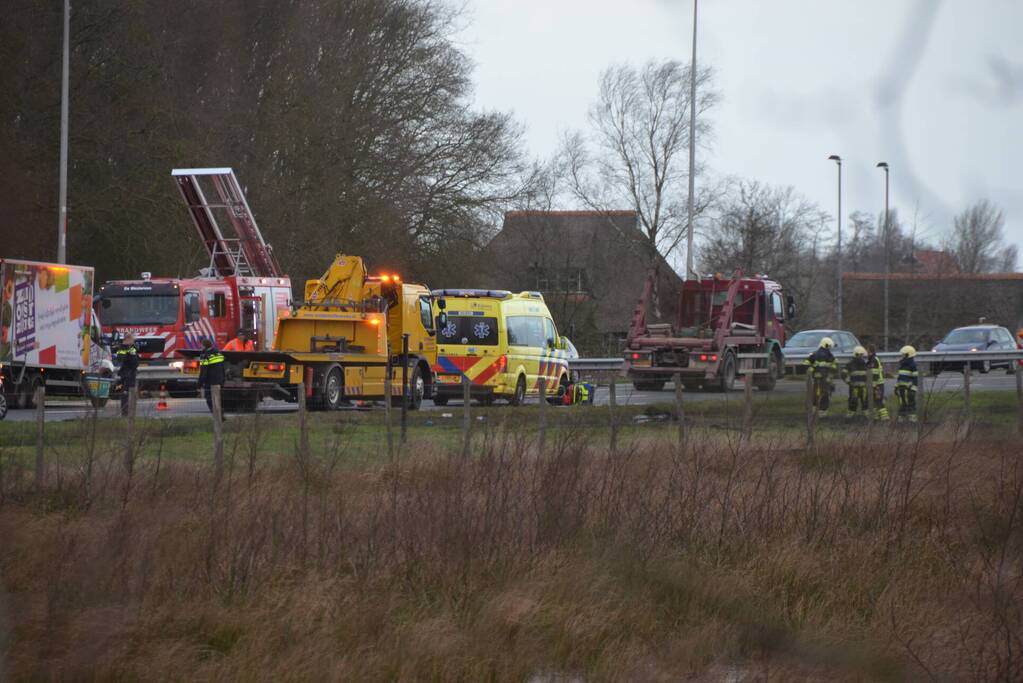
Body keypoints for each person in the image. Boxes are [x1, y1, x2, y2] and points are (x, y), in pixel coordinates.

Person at [803, 337, 838, 417]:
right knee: (825, 395)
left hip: (816, 379)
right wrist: (830, 376)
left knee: (815, 394)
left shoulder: (814, 354)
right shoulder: (829, 355)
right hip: (825, 380)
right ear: (827, 346)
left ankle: (813, 411)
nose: (830, 348)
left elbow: (805, 363)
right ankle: (822, 413)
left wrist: (811, 370)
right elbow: (835, 366)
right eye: (830, 347)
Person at [198, 337, 226, 419]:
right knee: (217, 399)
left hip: (210, 381)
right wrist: (223, 379)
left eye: (201, 346)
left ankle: (217, 416)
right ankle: (220, 414)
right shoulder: (219, 353)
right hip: (219, 380)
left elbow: (203, 371)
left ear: (204, 346)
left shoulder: (205, 356)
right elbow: (222, 367)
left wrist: (199, 384)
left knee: (209, 399)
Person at [842, 345, 869, 418]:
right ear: (857, 354)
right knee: (853, 403)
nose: (862, 356)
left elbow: (869, 375)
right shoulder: (850, 364)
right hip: (854, 388)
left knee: (865, 403)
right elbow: (843, 374)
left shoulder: (865, 364)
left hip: (863, 388)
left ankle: (867, 418)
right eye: (861, 355)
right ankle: (849, 418)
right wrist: (849, 382)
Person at [115, 333, 139, 416]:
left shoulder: (131, 348)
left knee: (129, 393)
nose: (133, 341)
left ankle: (129, 412)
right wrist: (127, 348)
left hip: (130, 373)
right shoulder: (124, 348)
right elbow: (122, 359)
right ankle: (125, 413)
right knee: (126, 393)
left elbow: (134, 359)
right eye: (132, 339)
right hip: (127, 374)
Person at [866, 343, 890, 421]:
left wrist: (874, 385)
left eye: (867, 351)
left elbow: (875, 373)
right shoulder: (872, 359)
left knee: (878, 400)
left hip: (877, 384)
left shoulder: (874, 360)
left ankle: (885, 418)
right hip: (876, 384)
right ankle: (875, 417)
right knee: (874, 401)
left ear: (870, 351)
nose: (866, 352)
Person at [895, 345, 919, 423]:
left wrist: (913, 389)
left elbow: (915, 379)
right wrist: (896, 387)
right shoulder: (902, 365)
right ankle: (901, 421)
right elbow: (900, 377)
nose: (902, 356)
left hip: (909, 389)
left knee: (911, 404)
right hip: (901, 389)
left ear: (908, 355)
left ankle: (912, 421)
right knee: (902, 404)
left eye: (903, 354)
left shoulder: (913, 365)